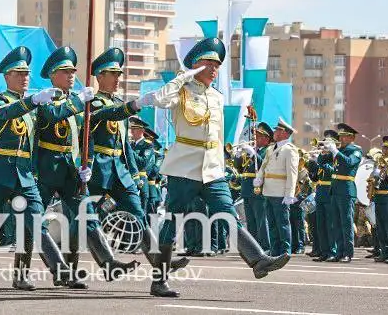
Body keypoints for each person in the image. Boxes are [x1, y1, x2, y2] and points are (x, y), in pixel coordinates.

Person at [138, 37, 289, 297]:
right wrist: (182, 78)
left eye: (216, 64)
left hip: (212, 168)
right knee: (173, 221)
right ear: (195, 66)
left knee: (228, 214)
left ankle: (258, 259)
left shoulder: (217, 98)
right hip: (184, 166)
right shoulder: (181, 91)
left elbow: (216, 137)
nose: (213, 69)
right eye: (208, 63)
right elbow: (160, 100)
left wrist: (222, 164)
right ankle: (159, 280)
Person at [0, 46, 72, 292]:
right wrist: (33, 100)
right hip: (0, 172)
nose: (25, 77)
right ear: (8, 76)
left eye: (27, 73)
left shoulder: (34, 105)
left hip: (25, 174)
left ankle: (52, 270)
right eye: (19, 73)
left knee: (36, 222)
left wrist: (73, 100)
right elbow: (9, 113)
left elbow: (53, 119)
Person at [34, 46, 139, 287]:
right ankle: (35, 272)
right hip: (44, 171)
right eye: (65, 71)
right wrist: (79, 101)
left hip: (71, 172)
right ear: (52, 74)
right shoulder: (44, 99)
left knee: (88, 215)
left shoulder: (79, 103)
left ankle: (109, 263)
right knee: (34, 222)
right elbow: (53, 117)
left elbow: (86, 138)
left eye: (73, 71)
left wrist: (87, 163)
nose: (71, 75)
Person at [86, 47, 189, 272]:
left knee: (138, 214)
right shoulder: (92, 104)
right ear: (100, 76)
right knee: (85, 219)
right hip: (97, 171)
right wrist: (132, 105)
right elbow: (106, 115)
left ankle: (161, 263)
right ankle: (71, 264)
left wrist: (133, 173)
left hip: (120, 172)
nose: (117, 79)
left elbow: (125, 146)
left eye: (119, 75)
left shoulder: (118, 104)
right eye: (113, 75)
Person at [256, 118, 299, 257]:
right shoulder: (270, 148)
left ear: (285, 133)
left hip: (281, 192)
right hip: (268, 190)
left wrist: (290, 194)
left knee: (283, 223)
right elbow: (264, 166)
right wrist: (259, 178)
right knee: (272, 223)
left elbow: (292, 173)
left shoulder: (289, 150)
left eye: (278, 130)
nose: (275, 132)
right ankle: (275, 250)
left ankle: (285, 251)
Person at [323, 123, 363, 263]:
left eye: (344, 137)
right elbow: (322, 162)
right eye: (340, 136)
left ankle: (348, 253)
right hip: (335, 189)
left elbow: (348, 163)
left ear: (351, 137)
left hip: (346, 190)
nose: (341, 139)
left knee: (346, 223)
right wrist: (324, 151)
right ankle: (339, 252)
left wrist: (335, 151)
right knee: (336, 223)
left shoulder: (356, 151)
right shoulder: (339, 150)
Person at [238, 122, 272, 251]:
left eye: (258, 136)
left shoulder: (267, 151)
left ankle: (265, 246)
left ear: (266, 139)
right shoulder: (253, 151)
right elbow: (240, 169)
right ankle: (254, 247)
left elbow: (264, 164)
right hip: (247, 189)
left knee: (261, 220)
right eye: (255, 135)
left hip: (258, 190)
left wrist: (253, 154)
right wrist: (237, 156)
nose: (255, 138)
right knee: (250, 221)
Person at [311, 130, 337, 261]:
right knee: (320, 224)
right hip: (320, 193)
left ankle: (332, 251)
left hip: (329, 192)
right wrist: (312, 164)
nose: (323, 148)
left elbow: (333, 171)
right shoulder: (322, 158)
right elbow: (315, 177)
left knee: (330, 225)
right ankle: (324, 251)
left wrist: (322, 162)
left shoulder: (334, 158)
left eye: (327, 146)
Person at [372, 136, 388, 263]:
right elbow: (374, 177)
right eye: (383, 147)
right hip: (378, 196)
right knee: (380, 227)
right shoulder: (379, 161)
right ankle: (383, 252)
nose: (384, 150)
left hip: (387, 195)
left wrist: (386, 170)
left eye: (387, 148)